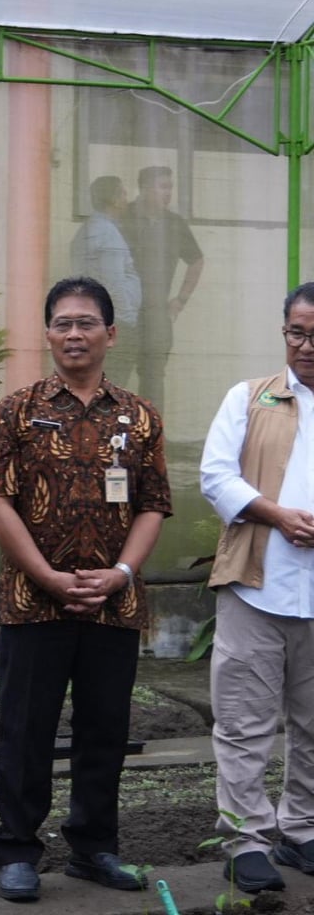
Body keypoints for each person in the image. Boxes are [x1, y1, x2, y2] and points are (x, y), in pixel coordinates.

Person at [0, 275, 172, 902]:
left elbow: (153, 504)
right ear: (47, 334)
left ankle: (93, 847)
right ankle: (17, 850)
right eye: (62, 323)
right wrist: (49, 578)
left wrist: (120, 574)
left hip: (114, 603)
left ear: (110, 333)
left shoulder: (139, 417)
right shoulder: (13, 413)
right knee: (24, 729)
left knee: (104, 729)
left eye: (86, 322)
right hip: (35, 602)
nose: (74, 334)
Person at [200, 281, 314, 895]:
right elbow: (215, 476)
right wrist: (276, 515)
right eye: (297, 333)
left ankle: (302, 827)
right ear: (284, 332)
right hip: (255, 587)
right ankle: (246, 840)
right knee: (245, 723)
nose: (306, 346)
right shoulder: (249, 397)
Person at [120, 165, 204, 411]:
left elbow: (196, 260)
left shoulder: (174, 223)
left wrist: (180, 300)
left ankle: (151, 431)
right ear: (145, 188)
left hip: (157, 313)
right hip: (123, 312)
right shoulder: (124, 217)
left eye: (170, 187)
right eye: (163, 187)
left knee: (154, 377)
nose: (168, 193)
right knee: (116, 372)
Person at [70, 175, 141, 388]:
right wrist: (126, 321)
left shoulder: (90, 229)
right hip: (114, 321)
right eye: (124, 193)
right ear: (114, 199)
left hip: (96, 318)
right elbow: (113, 284)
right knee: (112, 386)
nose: (127, 199)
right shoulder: (107, 233)